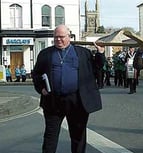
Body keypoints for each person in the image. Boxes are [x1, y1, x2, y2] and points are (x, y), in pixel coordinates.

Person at [32, 25, 103, 153]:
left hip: (77, 100)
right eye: (56, 37)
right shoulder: (45, 54)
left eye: (62, 37)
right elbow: (36, 74)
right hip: (53, 101)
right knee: (50, 136)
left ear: (69, 37)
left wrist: (100, 54)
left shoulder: (83, 53)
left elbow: (97, 67)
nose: (58, 40)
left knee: (78, 136)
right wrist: (41, 88)